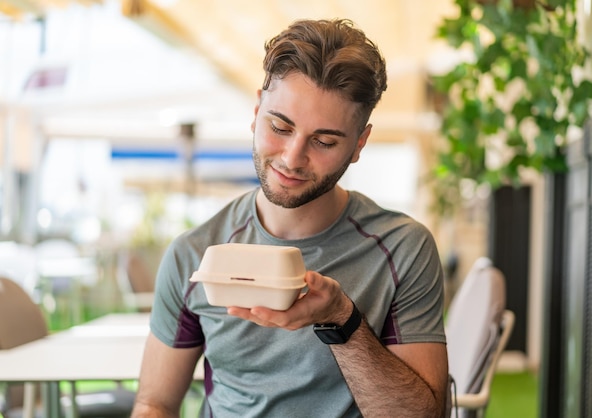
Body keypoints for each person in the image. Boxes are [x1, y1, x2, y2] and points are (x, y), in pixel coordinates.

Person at [131, 18, 448, 418]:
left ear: (359, 144)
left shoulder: (402, 248)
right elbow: (154, 404)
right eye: (280, 126)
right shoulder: (194, 253)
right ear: (256, 111)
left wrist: (342, 320)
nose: (292, 158)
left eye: (324, 141)